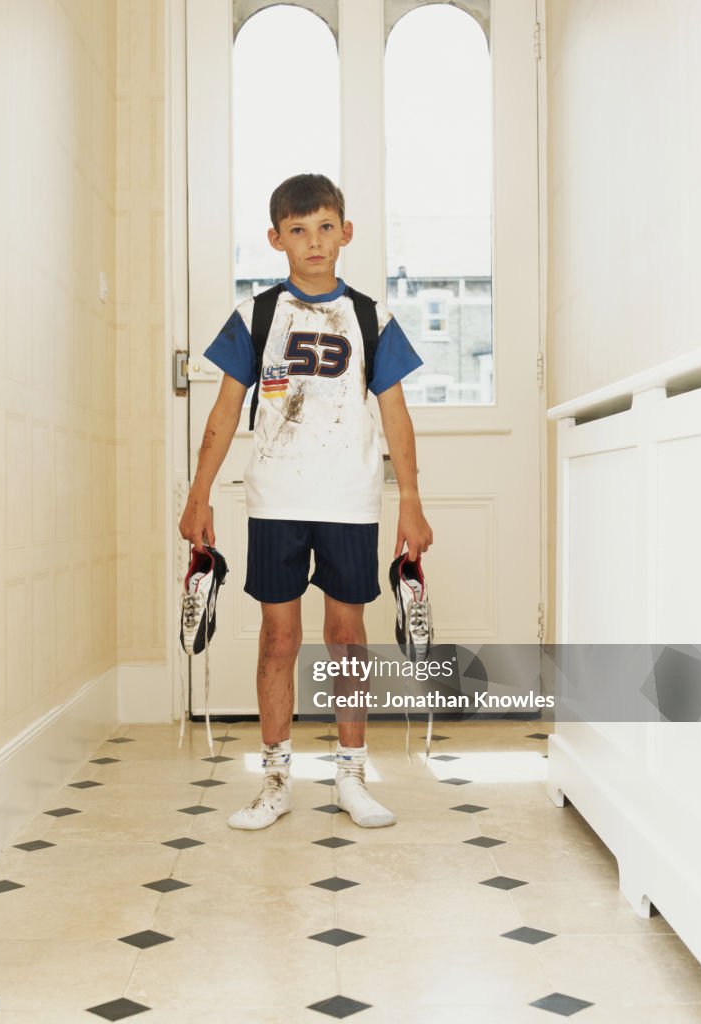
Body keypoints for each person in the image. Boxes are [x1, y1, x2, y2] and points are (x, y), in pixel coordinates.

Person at [178, 173, 432, 830]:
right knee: (278, 638)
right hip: (275, 500)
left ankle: (351, 776)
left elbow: (396, 417)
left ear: (345, 233)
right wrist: (198, 492)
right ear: (275, 239)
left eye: (324, 227)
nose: (312, 242)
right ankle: (273, 780)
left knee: (347, 638)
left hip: (350, 500)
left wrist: (410, 503)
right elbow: (225, 410)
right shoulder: (256, 317)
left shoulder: (373, 318)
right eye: (297, 230)